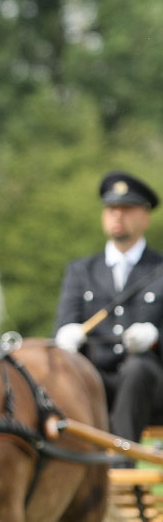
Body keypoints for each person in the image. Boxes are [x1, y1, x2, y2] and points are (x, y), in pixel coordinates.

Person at [54, 171, 163, 453]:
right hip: (94, 377)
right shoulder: (81, 271)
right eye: (111, 209)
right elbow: (64, 324)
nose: (117, 215)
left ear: (145, 217)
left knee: (138, 370)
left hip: (149, 386)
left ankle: (119, 465)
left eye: (126, 209)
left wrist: (155, 337)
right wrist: (66, 335)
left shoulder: (160, 269)